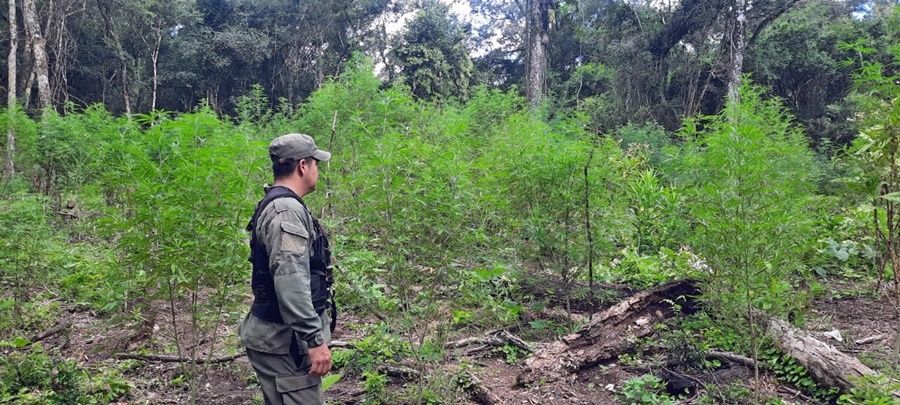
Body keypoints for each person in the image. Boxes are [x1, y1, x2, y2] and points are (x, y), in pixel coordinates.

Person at [240, 133, 334, 405]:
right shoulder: (286, 211)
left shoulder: (280, 204)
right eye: (316, 163)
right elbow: (290, 281)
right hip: (286, 342)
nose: (318, 171)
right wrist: (314, 341)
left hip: (281, 338)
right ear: (303, 166)